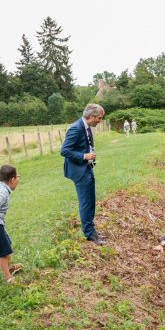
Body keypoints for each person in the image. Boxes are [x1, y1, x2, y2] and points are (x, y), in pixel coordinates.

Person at [60, 104, 107, 245]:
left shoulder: (86, 127)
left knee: (91, 200)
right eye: (99, 118)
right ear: (91, 116)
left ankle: (92, 231)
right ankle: (89, 235)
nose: (100, 121)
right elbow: (64, 151)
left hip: (87, 168)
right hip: (79, 170)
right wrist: (84, 156)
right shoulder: (76, 128)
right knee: (86, 203)